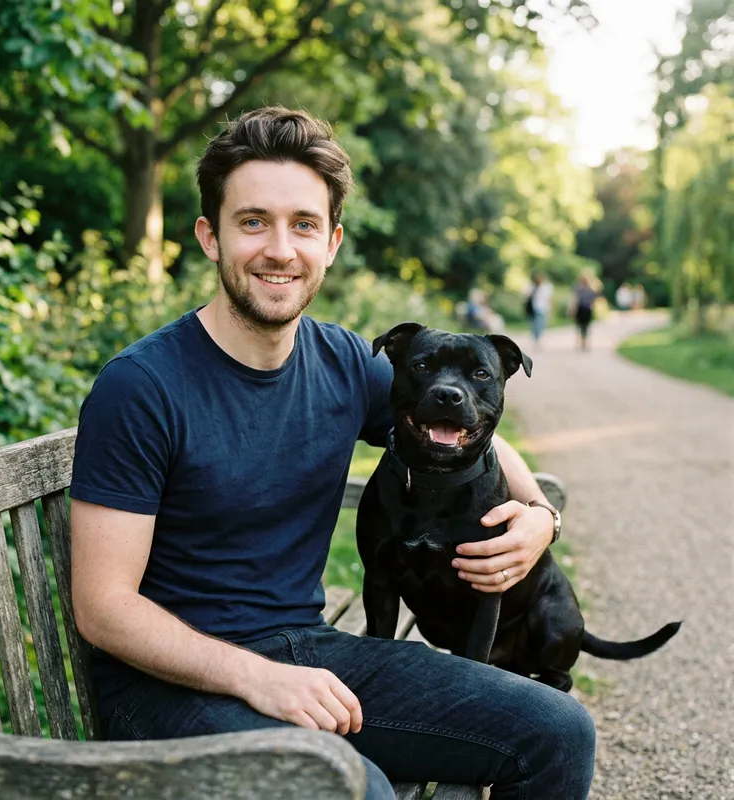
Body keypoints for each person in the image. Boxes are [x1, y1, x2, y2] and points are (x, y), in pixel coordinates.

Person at [70, 107, 595, 800]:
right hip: (167, 688)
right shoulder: (141, 387)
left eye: (303, 225)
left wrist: (536, 517)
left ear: (332, 242)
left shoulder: (343, 361)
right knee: (357, 789)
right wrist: (257, 678)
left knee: (560, 730)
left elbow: (474, 445)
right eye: (253, 221)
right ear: (209, 236)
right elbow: (103, 608)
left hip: (306, 649)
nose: (280, 249)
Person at [572, 271, 599, 351]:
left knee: (586, 327)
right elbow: (575, 299)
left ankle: (585, 342)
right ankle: (580, 342)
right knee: (580, 326)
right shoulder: (578, 288)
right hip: (580, 309)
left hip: (587, 310)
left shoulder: (591, 289)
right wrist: (573, 309)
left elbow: (594, 299)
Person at [525, 272, 553, 347]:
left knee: (540, 324)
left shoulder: (546, 287)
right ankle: (535, 338)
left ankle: (538, 338)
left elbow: (549, 299)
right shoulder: (531, 287)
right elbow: (526, 297)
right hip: (532, 309)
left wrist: (550, 309)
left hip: (542, 309)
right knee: (533, 324)